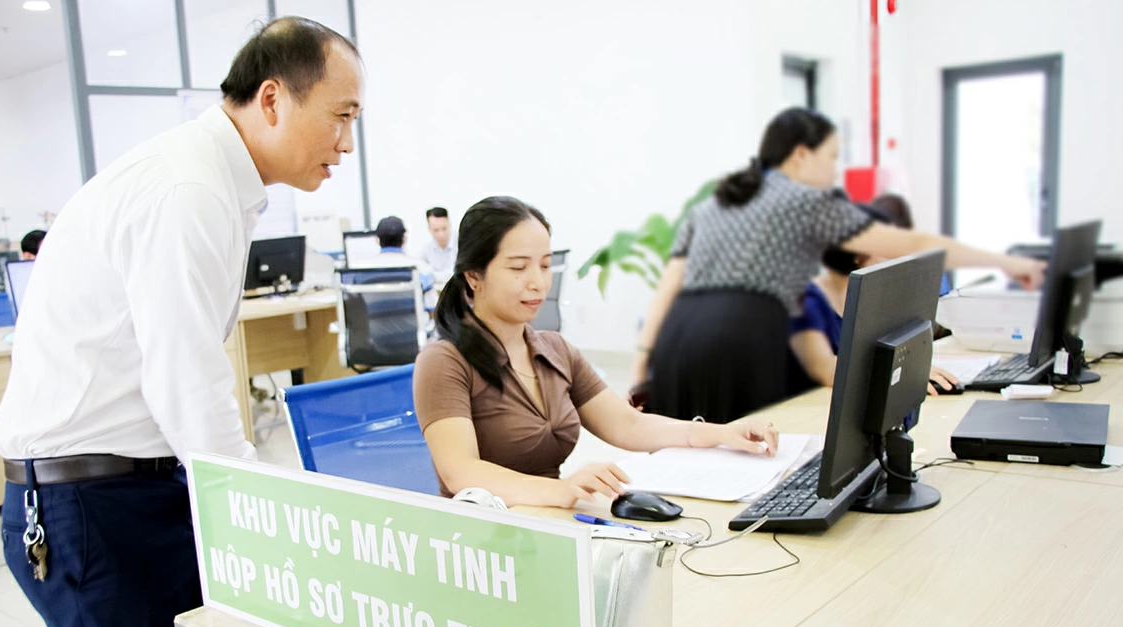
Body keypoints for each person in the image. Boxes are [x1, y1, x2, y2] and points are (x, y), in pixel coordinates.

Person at [0, 18, 362, 627]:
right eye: (343, 116)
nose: (348, 144)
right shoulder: (189, 188)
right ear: (272, 99)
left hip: (126, 492)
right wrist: (255, 513)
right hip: (89, 504)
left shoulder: (214, 181)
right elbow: (185, 382)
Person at [631, 107, 1046, 423]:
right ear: (800, 156)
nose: (834, 171)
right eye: (831, 157)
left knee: (697, 475)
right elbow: (916, 243)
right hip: (742, 361)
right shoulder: (805, 204)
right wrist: (1005, 262)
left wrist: (639, 372)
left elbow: (668, 290)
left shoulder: (714, 206)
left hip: (680, 355)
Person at [413, 196, 779, 508]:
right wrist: (561, 490)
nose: (538, 282)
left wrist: (722, 434)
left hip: (552, 527)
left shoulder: (555, 350)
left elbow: (629, 424)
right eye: (518, 267)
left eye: (545, 265)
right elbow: (461, 472)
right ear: (473, 276)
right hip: (485, 547)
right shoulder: (444, 362)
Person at [786, 203, 959, 396]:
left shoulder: (864, 295)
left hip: (848, 399)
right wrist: (906, 374)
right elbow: (826, 370)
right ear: (858, 255)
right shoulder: (806, 302)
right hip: (804, 410)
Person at [419, 206, 457, 287]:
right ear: (429, 229)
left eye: (444, 228)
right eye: (436, 230)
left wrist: (435, 276)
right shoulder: (426, 249)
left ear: (449, 224)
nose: (441, 234)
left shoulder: (461, 242)